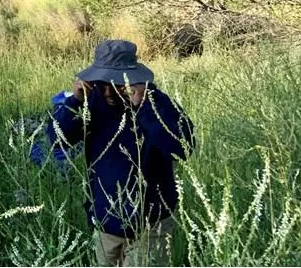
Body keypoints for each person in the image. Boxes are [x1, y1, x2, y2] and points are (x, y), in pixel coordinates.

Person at [52, 39, 195, 267]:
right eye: (102, 83)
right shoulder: (92, 101)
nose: (108, 92)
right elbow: (58, 141)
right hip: (106, 223)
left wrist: (144, 108)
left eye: (117, 84)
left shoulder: (156, 103)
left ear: (132, 80)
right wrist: (75, 101)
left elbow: (183, 147)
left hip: (149, 227)